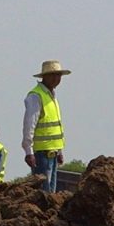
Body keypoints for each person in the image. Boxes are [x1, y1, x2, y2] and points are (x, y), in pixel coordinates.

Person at [22, 60, 71, 193]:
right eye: (53, 75)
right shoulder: (36, 96)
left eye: (58, 75)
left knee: (51, 194)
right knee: (43, 193)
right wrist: (29, 152)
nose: (56, 78)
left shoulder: (52, 96)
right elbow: (29, 125)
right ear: (44, 76)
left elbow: (55, 127)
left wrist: (59, 151)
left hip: (53, 154)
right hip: (41, 155)